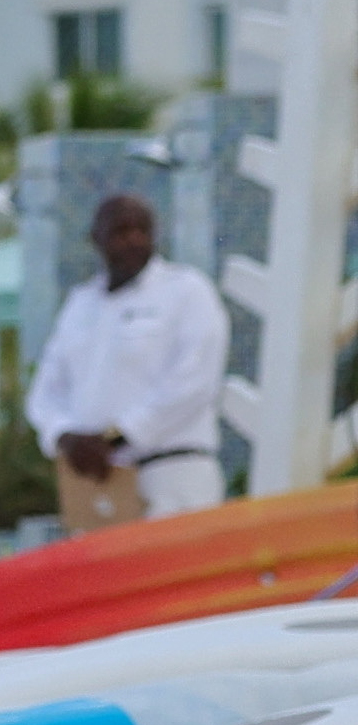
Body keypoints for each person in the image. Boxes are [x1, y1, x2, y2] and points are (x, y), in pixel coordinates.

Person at [26, 191, 228, 528]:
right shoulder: (81, 304)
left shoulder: (186, 291)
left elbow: (194, 382)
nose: (134, 240)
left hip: (173, 479)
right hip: (99, 482)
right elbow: (45, 393)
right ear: (96, 238)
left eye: (143, 230)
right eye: (121, 231)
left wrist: (118, 438)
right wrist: (66, 437)